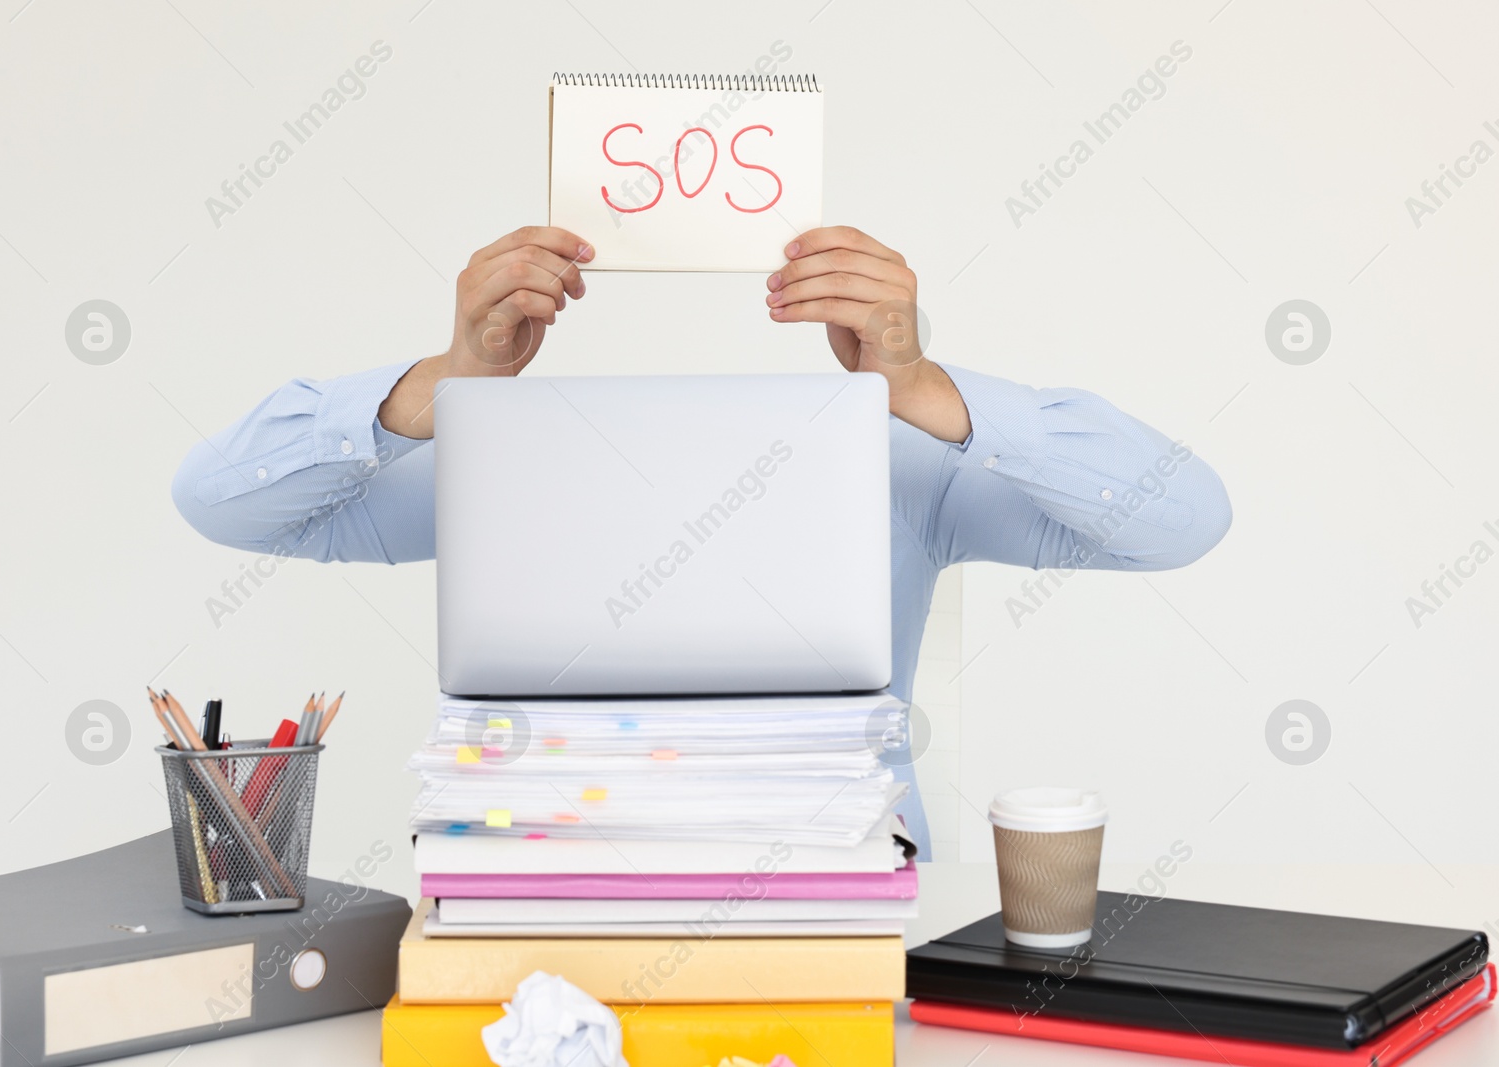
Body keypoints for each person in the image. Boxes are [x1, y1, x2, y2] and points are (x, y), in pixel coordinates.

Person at [172, 225, 1232, 860]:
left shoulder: (898, 464)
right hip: (544, 885)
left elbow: (1181, 518)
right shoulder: (503, 463)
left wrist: (919, 386)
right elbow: (222, 501)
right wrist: (444, 381)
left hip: (843, 883)